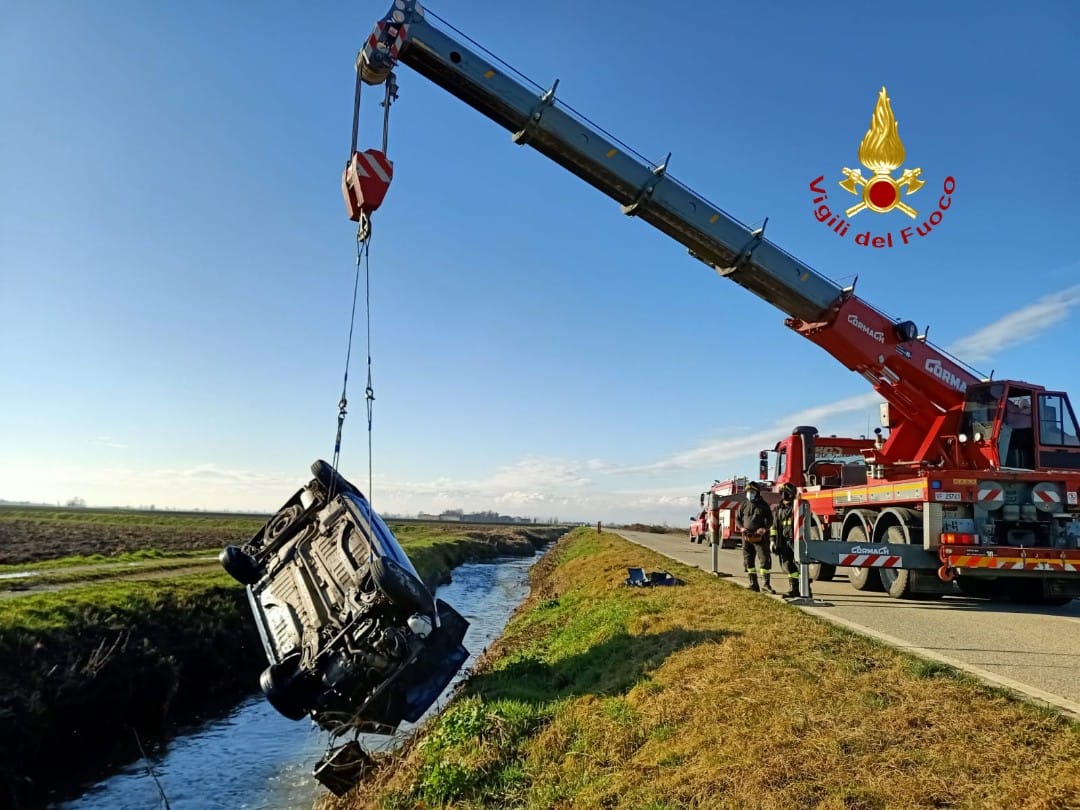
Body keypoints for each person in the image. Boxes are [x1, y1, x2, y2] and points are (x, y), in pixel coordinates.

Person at [735, 480, 774, 593]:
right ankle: (753, 584)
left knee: (764, 560)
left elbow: (770, 520)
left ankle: (766, 585)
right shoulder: (744, 504)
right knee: (748, 561)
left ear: (757, 492)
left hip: (760, 537)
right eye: (748, 491)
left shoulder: (763, 505)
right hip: (746, 537)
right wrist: (741, 528)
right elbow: (738, 518)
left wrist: (764, 528)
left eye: (752, 491)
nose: (749, 493)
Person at [770, 482, 801, 598]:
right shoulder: (778, 509)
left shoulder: (798, 507)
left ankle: (803, 588)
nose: (784, 496)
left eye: (786, 493)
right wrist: (772, 541)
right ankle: (794, 588)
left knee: (800, 565)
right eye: (782, 493)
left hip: (796, 541)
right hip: (783, 541)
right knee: (787, 565)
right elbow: (774, 527)